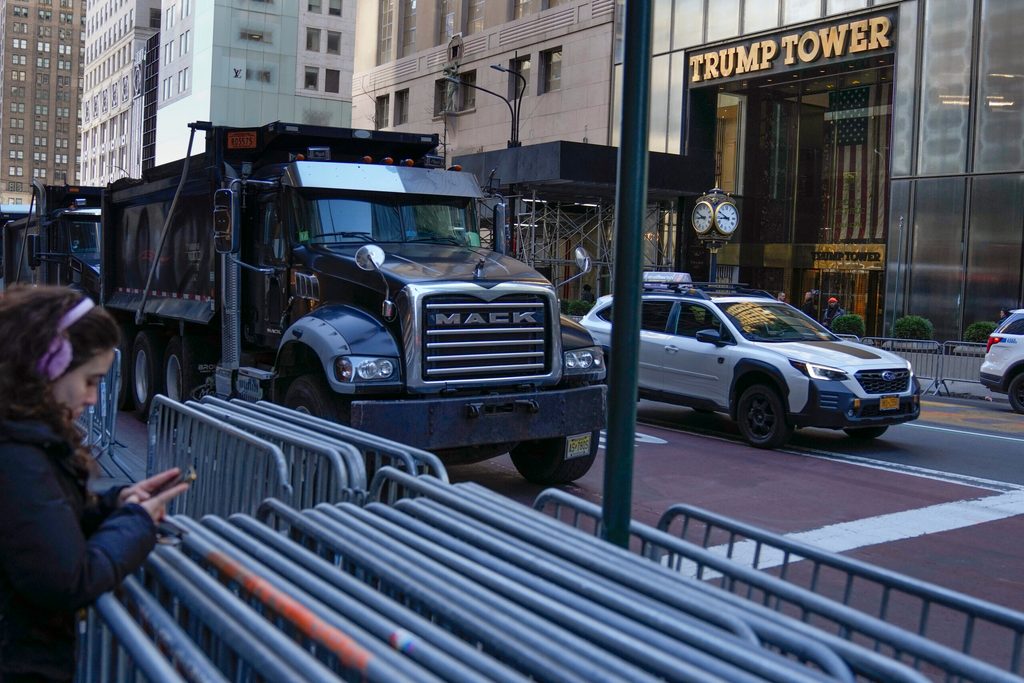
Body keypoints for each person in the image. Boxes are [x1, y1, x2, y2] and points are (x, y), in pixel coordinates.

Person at [0, 286, 189, 682]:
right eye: (90, 380)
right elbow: (68, 579)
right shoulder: (16, 452)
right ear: (50, 363)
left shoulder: (20, 437)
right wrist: (137, 521)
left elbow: (33, 529)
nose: (92, 398)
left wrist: (114, 504)